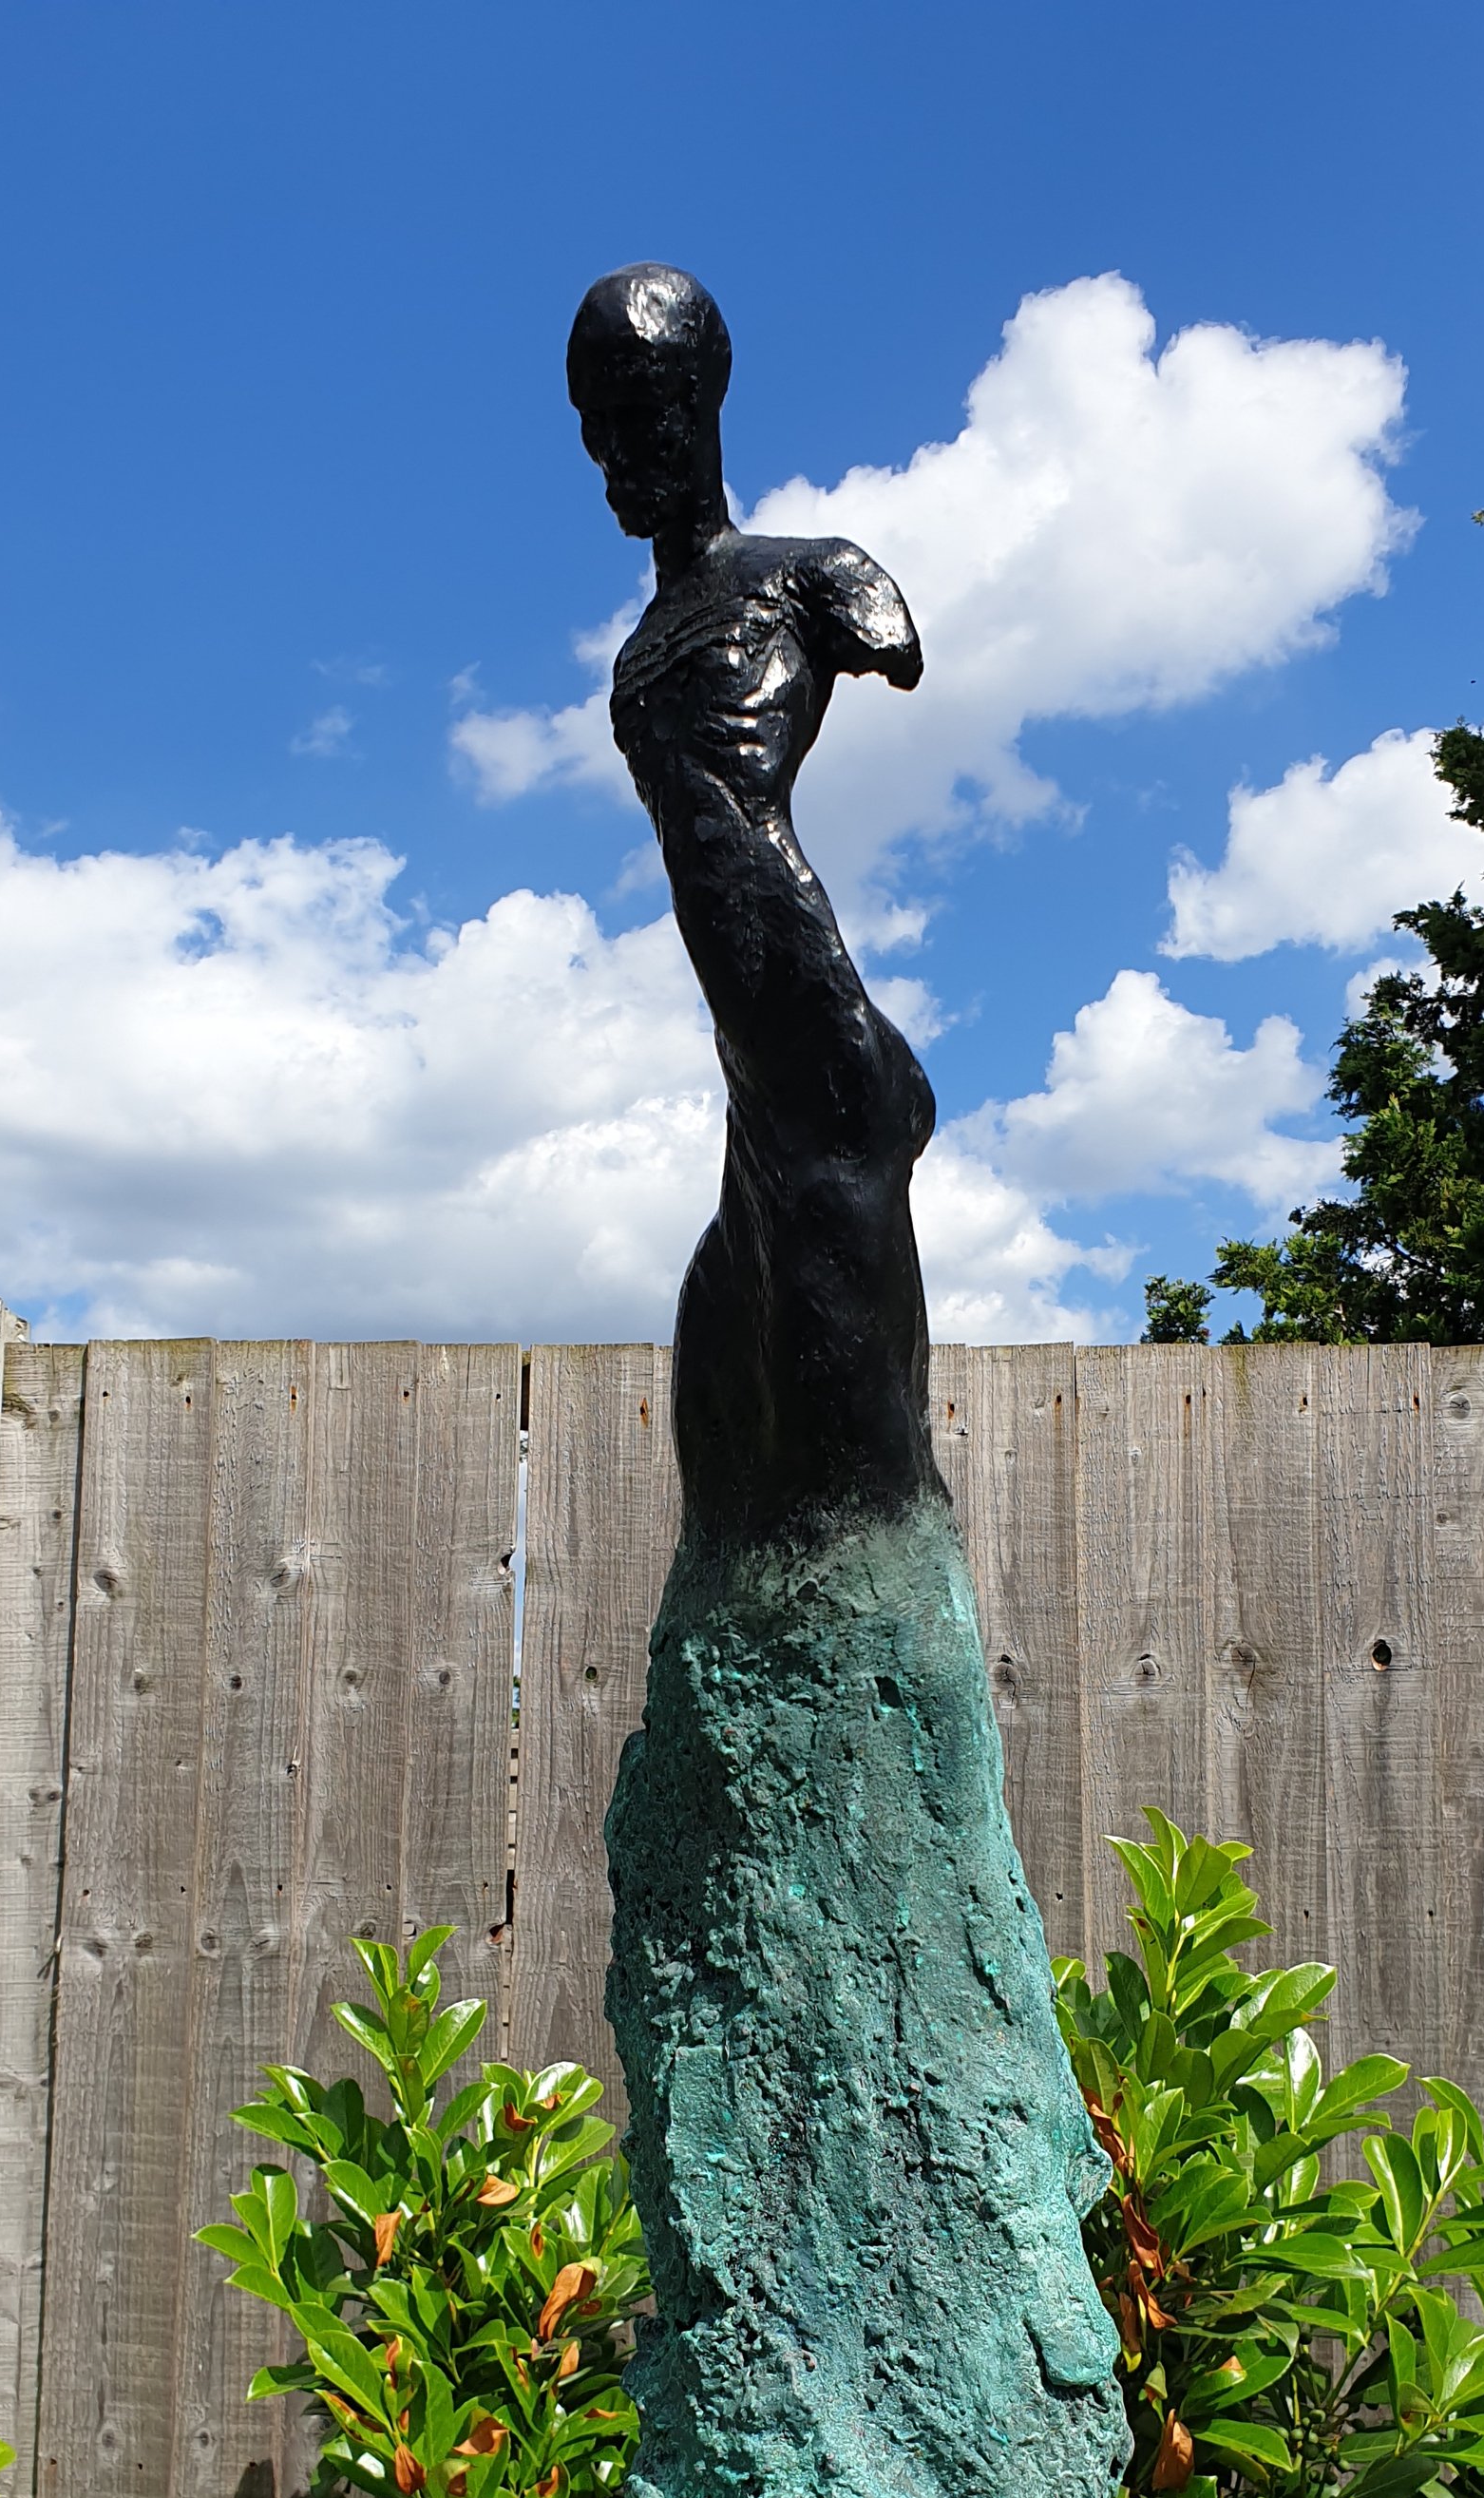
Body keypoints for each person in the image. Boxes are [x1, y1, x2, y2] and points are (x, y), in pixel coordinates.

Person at [567, 263, 942, 1548]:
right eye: (593, 423)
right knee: (718, 1367)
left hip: (808, 1028)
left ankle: (894, 1667)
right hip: (749, 1070)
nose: (618, 449)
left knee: (859, 1442)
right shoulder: (635, 653)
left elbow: (893, 639)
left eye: (642, 407)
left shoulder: (813, 576)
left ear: (704, 397)